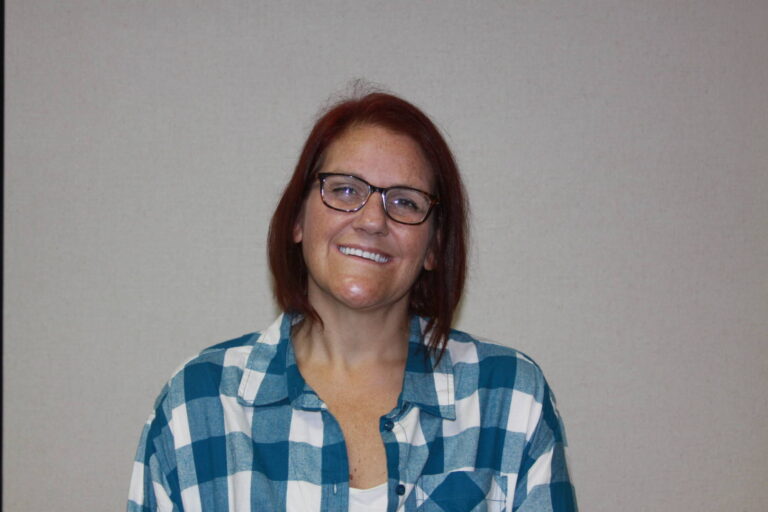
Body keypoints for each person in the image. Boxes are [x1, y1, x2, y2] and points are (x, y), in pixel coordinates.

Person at [128, 91, 577, 511]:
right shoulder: (198, 404)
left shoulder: (510, 398)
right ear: (297, 219)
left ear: (434, 247)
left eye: (405, 202)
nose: (372, 220)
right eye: (345, 190)